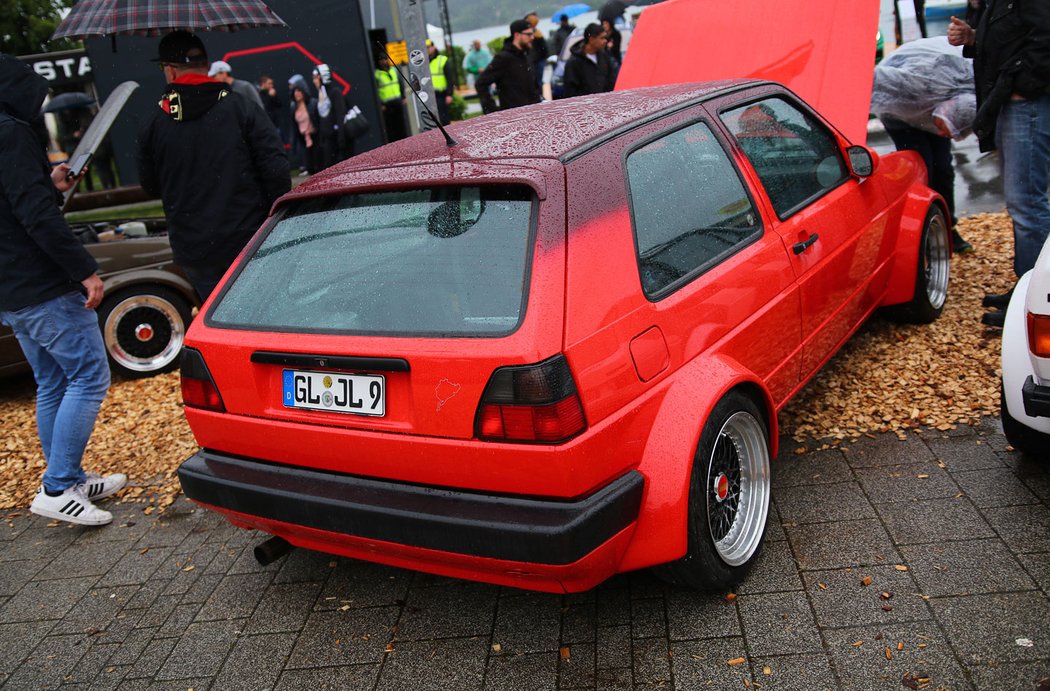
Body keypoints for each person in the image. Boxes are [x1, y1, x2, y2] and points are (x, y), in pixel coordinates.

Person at [0, 53, 126, 526]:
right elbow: (34, 216)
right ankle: (57, 488)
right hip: (42, 284)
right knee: (90, 377)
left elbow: (17, 202)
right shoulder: (11, 132)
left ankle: (65, 475)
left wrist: (49, 183)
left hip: (12, 288)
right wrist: (84, 269)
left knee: (52, 381)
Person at [137, 31, 290, 301]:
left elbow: (149, 186)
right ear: (207, 67)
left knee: (222, 327)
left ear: (170, 71)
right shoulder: (241, 107)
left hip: (195, 250)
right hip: (249, 238)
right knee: (265, 314)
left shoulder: (154, 122)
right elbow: (276, 171)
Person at [949, 3, 1050, 327]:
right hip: (1013, 100)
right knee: (1022, 202)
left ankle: (1038, 301)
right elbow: (1012, 39)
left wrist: (1023, 86)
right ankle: (1027, 289)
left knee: (1027, 203)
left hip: (1028, 103)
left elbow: (1045, 39)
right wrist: (974, 38)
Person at [870, 36, 976, 254]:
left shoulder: (963, 89)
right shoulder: (912, 84)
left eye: (951, 131)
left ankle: (948, 228)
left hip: (930, 107)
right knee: (922, 171)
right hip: (898, 112)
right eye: (943, 127)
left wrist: (944, 127)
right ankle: (922, 233)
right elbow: (873, 79)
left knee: (944, 170)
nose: (945, 134)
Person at [476, 19, 542, 114]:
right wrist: (492, 112)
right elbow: (481, 83)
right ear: (517, 35)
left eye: (533, 34)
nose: (532, 37)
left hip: (533, 113)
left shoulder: (527, 56)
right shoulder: (503, 58)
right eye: (528, 34)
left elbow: (533, 86)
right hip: (514, 116)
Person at [563, 23, 617, 98]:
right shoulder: (574, 63)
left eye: (605, 38)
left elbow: (612, 79)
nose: (605, 41)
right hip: (586, 105)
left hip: (606, 103)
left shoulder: (604, 56)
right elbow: (571, 90)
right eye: (602, 38)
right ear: (591, 39)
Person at [312, 63, 349, 167]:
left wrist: (341, 139)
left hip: (337, 140)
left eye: (316, 77)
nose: (314, 81)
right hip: (327, 142)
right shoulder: (321, 95)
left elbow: (340, 116)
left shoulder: (335, 92)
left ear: (322, 77)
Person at [288, 74, 320, 174]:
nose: (296, 94)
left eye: (299, 91)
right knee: (309, 166)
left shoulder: (313, 103)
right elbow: (294, 126)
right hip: (304, 140)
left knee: (318, 165)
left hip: (315, 138)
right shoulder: (293, 107)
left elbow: (318, 122)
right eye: (295, 91)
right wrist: (293, 142)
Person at [375, 54, 408, 143]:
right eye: (381, 60)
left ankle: (403, 140)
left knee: (401, 123)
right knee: (390, 125)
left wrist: (404, 97)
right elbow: (376, 91)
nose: (383, 61)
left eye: (385, 59)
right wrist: (381, 104)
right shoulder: (377, 74)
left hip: (397, 101)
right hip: (387, 104)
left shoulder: (394, 70)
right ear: (378, 62)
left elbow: (400, 84)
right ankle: (393, 143)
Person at [426, 41, 455, 126]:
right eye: (426, 47)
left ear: (433, 47)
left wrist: (449, 94)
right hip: (430, 96)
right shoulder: (424, 62)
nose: (427, 49)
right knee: (433, 121)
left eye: (429, 47)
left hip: (441, 95)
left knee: (444, 119)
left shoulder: (442, 60)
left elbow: (449, 78)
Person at [524, 12, 550, 90]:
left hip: (535, 60)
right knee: (539, 80)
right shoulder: (537, 33)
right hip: (538, 60)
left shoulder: (532, 33)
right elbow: (544, 48)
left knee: (536, 80)